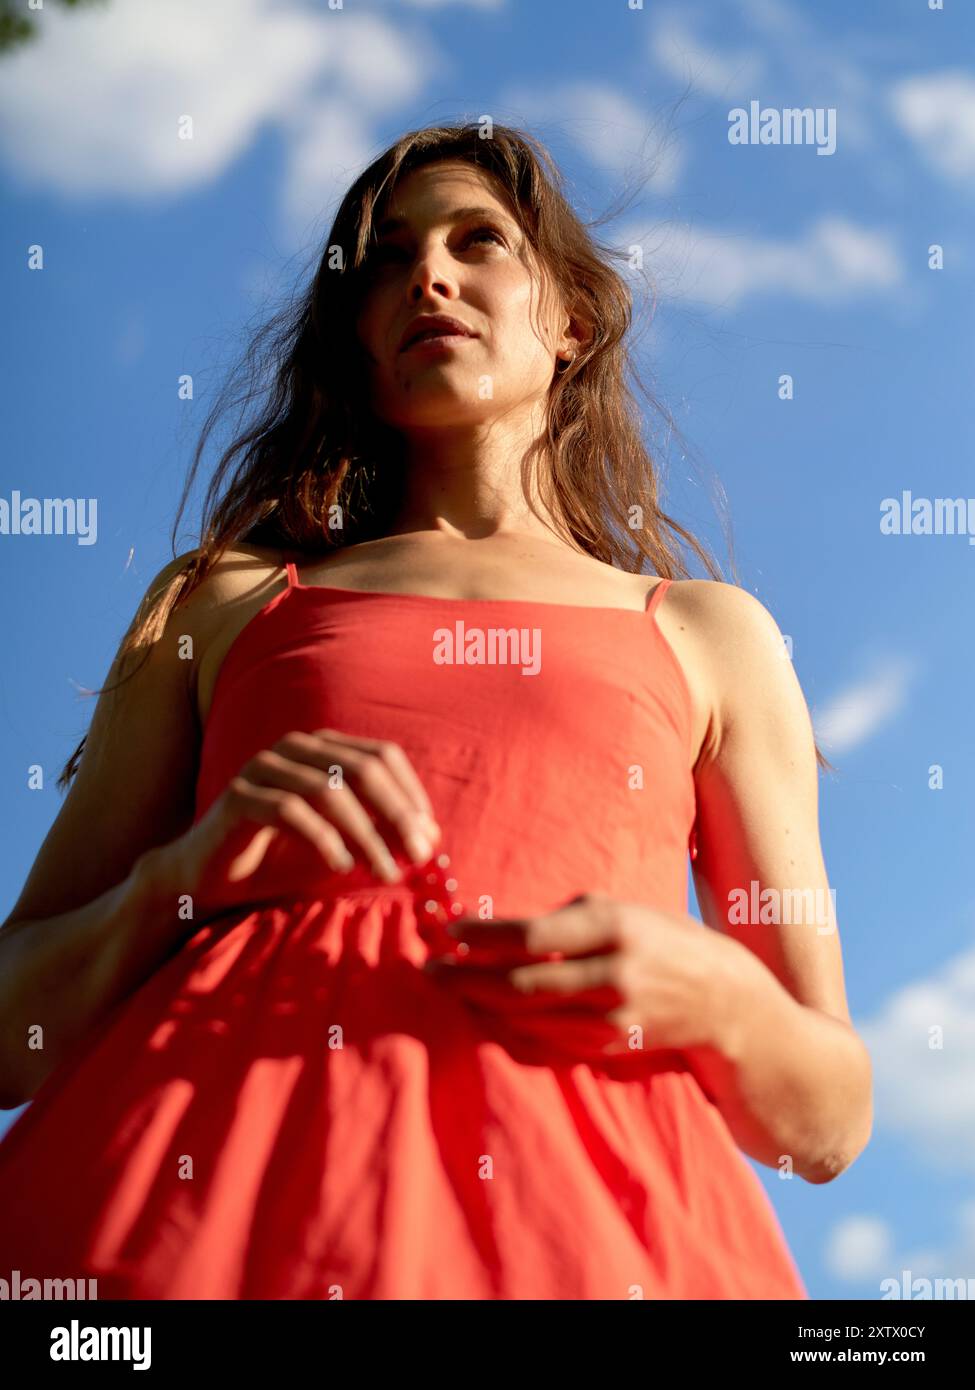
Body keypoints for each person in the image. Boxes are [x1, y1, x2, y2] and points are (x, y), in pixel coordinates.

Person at [0, 123, 871, 1299]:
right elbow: (16, 1032)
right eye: (388, 258)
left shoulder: (713, 633)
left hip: (589, 1232)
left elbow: (825, 1119)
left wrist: (707, 991)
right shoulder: (223, 605)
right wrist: (179, 879)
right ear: (358, 334)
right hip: (202, 1218)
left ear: (571, 321)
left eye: (480, 242)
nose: (429, 275)